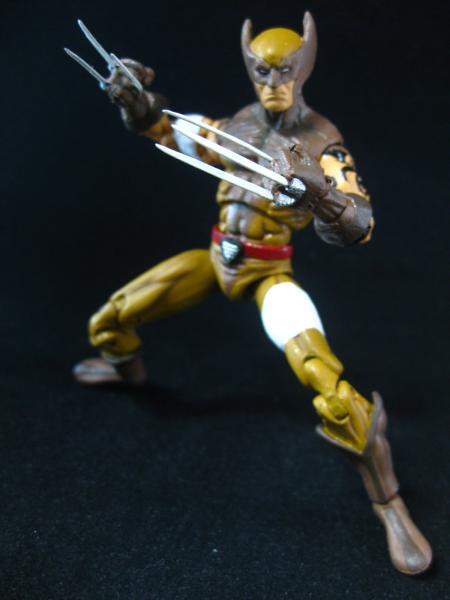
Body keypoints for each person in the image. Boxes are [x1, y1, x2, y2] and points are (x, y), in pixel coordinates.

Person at [68, 13, 432, 575]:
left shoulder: (322, 142)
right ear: (249, 68)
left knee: (331, 390)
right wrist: (136, 103)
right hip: (217, 258)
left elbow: (360, 226)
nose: (273, 82)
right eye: (263, 71)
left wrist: (320, 196)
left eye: (285, 70)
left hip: (268, 273)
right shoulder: (239, 123)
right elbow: (167, 130)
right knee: (110, 319)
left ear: (304, 67)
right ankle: (127, 370)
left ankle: (389, 504)